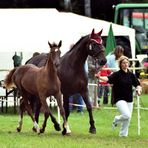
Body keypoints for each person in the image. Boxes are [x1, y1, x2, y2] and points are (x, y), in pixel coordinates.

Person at [95, 56, 142, 137]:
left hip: (129, 99)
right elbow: (107, 78)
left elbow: (138, 85)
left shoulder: (131, 75)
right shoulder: (117, 74)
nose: (125, 64)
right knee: (127, 115)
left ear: (128, 64)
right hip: (119, 98)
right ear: (120, 64)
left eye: (127, 62)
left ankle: (123, 135)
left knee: (128, 119)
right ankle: (116, 119)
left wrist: (139, 90)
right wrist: (99, 77)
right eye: (123, 63)